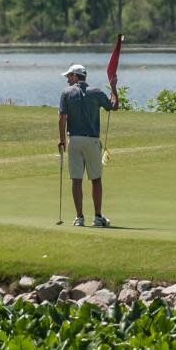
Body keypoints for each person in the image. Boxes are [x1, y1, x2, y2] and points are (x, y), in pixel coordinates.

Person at [57, 63, 118, 227]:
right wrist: (113, 88)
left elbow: (62, 117)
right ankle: (98, 218)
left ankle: (79, 218)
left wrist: (62, 139)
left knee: (76, 179)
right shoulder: (96, 92)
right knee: (96, 179)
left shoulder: (66, 93)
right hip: (92, 141)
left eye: (69, 76)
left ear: (76, 76)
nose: (68, 80)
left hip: (74, 141)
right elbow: (114, 106)